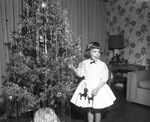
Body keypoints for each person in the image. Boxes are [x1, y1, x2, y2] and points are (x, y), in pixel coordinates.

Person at [69, 41, 116, 122]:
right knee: (89, 108)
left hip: (98, 87)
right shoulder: (84, 63)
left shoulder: (102, 65)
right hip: (87, 88)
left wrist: (97, 89)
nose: (97, 54)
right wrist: (73, 68)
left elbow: (104, 79)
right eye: (94, 52)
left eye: (99, 52)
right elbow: (80, 74)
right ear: (88, 52)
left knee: (97, 108)